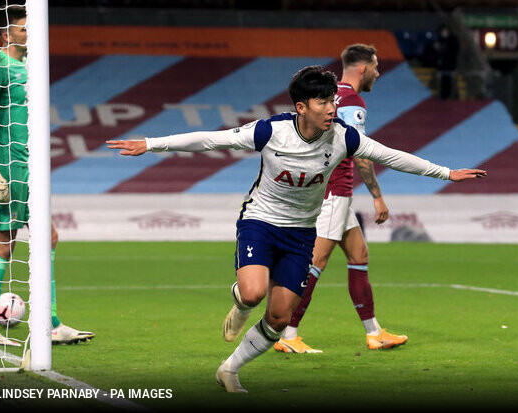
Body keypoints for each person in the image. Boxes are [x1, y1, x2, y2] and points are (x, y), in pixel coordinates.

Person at [107, 66, 485, 393]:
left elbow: (388, 155)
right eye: (323, 102)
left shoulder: (343, 137)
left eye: (333, 101)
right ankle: (240, 300)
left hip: (302, 232)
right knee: (254, 294)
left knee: (280, 318)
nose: (332, 109)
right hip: (261, 222)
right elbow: (210, 139)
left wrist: (446, 173)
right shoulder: (270, 131)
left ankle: (229, 369)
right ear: (301, 107)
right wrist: (151, 143)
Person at [0, 6, 94, 346]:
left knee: (47, 237)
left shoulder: (30, 67)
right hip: (8, 168)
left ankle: (50, 324)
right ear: (6, 35)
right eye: (24, 29)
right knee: (4, 243)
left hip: (30, 168)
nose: (31, 34)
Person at [274, 44, 406, 354]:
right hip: (334, 192)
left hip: (337, 192)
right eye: (375, 67)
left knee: (359, 256)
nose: (377, 72)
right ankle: (287, 333)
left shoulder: (335, 97)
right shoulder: (352, 101)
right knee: (315, 263)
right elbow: (360, 153)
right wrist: (377, 197)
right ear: (362, 69)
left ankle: (374, 332)